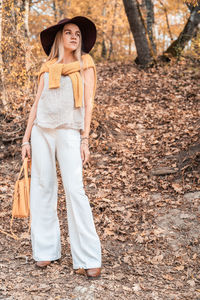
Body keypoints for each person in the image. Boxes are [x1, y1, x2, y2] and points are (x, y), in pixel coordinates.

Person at [21, 16, 102, 280]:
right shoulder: (47, 67)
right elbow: (36, 103)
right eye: (68, 32)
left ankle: (88, 256)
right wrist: (25, 139)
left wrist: (85, 139)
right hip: (41, 132)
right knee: (42, 187)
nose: (74, 37)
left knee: (75, 190)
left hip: (69, 132)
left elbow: (88, 104)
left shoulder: (85, 64)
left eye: (77, 33)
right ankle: (45, 249)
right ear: (59, 37)